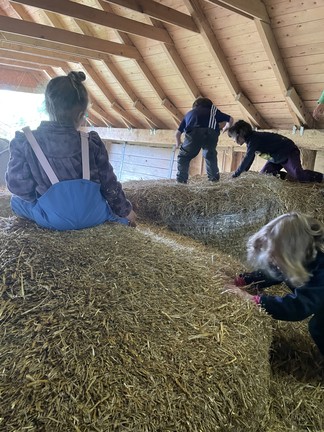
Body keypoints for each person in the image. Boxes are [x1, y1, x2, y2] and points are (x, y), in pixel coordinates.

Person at [6, 71, 136, 231]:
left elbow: (18, 186)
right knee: (105, 206)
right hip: (94, 216)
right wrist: (126, 211)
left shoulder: (25, 142)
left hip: (54, 219)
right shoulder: (91, 142)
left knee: (15, 201)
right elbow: (109, 185)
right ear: (81, 115)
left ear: (47, 106)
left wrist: (42, 197)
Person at [224, 212, 324, 356]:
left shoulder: (322, 274)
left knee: (319, 327)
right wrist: (245, 280)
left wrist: (255, 300)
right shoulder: (298, 260)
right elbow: (274, 273)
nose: (271, 260)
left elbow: (298, 307)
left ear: (292, 253)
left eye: (275, 255)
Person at [228, 120, 323, 183]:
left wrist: (236, 175)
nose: (233, 140)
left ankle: (321, 178)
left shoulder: (254, 139)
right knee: (265, 176)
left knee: (298, 175)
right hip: (276, 158)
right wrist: (244, 172)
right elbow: (250, 158)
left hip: (287, 152)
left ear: (239, 134)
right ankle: (287, 178)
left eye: (232, 137)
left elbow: (247, 157)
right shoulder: (250, 141)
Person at [175, 97, 233, 183]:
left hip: (194, 132)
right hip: (212, 132)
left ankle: (181, 182)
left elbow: (177, 133)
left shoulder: (189, 114)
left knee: (184, 157)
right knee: (210, 155)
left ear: (195, 106)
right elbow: (230, 119)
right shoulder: (213, 111)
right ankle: (214, 180)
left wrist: (178, 143)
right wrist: (226, 127)